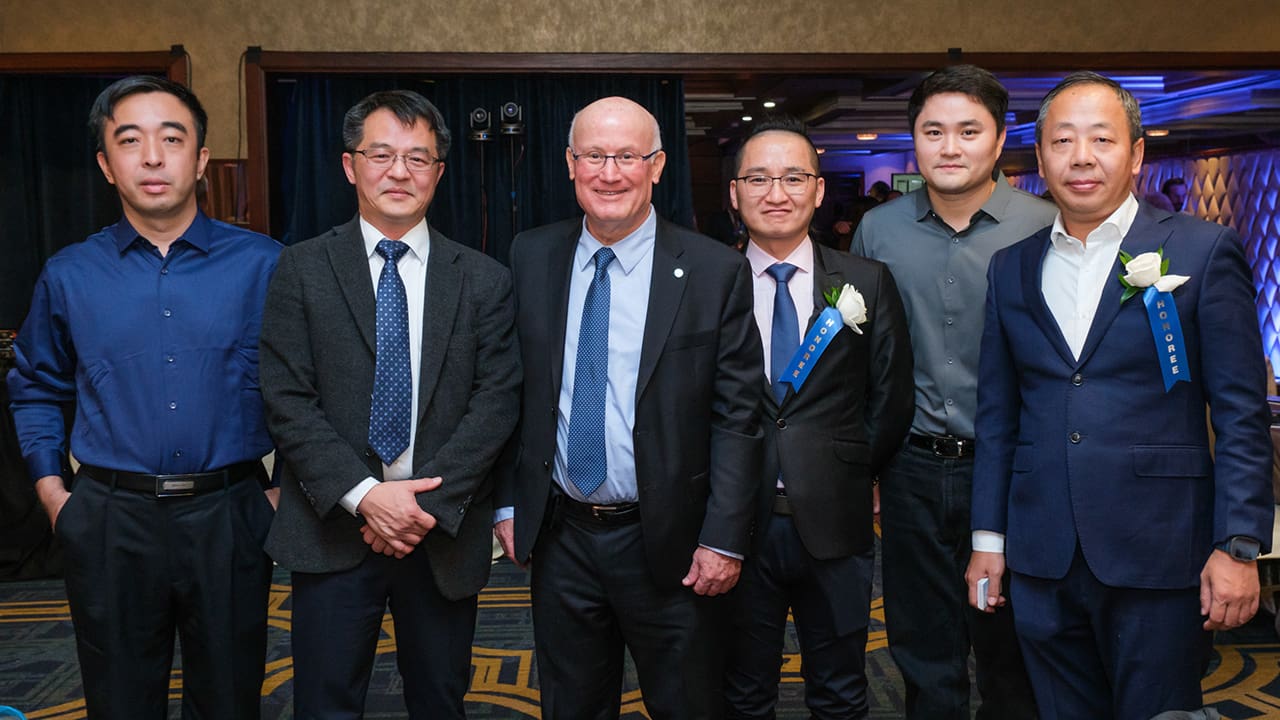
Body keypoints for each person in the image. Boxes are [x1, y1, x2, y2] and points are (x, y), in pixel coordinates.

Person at [966, 71, 1274, 719]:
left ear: (1135, 154)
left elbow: (1242, 414)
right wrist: (988, 539)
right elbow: (998, 417)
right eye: (1062, 141)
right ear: (1040, 156)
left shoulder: (1202, 249)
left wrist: (1239, 544)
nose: (1081, 156)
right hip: (1042, 553)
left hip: (1161, 549)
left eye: (1102, 139)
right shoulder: (1012, 267)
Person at [7, 76, 281, 718]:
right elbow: (35, 388)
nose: (152, 157)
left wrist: (278, 495)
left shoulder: (265, 265)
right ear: (106, 164)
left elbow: (311, 387)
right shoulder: (69, 273)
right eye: (130, 141)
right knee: (119, 699)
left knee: (230, 697)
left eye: (172, 138)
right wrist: (54, 494)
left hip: (232, 515)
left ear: (201, 158)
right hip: (109, 519)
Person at [493, 96, 763, 719]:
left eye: (627, 156)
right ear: (569, 164)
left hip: (670, 540)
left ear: (658, 165)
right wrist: (509, 502)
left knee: (687, 702)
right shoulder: (530, 256)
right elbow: (513, 392)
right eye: (593, 155)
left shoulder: (712, 270)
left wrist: (724, 538)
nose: (609, 173)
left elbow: (737, 417)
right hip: (560, 536)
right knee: (572, 704)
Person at [258, 90, 520, 719]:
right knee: (324, 703)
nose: (399, 172)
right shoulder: (301, 269)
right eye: (382, 155)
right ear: (351, 166)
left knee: (441, 699)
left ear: (439, 172)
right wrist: (367, 497)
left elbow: (497, 400)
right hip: (332, 526)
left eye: (418, 158)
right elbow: (286, 396)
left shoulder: (482, 278)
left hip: (441, 532)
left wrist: (419, 506)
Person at [851, 64, 1052, 720]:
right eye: (933, 131)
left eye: (969, 131)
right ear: (914, 140)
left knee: (1010, 645)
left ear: (999, 141)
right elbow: (859, 357)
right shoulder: (879, 232)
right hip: (909, 466)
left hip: (1014, 469)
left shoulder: (1043, 227)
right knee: (921, 642)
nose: (950, 146)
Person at [722, 116, 914, 719]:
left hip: (836, 520)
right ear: (734, 192)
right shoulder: (703, 280)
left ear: (819, 188)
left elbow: (890, 398)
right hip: (732, 527)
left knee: (840, 689)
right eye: (758, 178)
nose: (776, 194)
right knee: (741, 691)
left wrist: (847, 467)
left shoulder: (866, 281)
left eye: (793, 177)